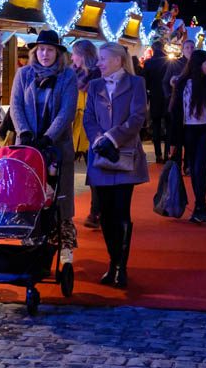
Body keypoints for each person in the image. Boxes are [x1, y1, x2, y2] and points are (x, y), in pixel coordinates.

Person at [83, 42, 149, 288]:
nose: (98, 63)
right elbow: (89, 117)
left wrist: (113, 137)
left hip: (124, 157)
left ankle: (121, 267)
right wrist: (99, 139)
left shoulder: (136, 84)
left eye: (102, 58)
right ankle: (113, 261)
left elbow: (137, 117)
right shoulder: (95, 85)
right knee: (106, 214)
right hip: (100, 158)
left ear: (118, 61)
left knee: (121, 211)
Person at [10, 29, 79, 264]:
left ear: (58, 53)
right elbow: (16, 105)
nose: (45, 54)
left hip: (56, 148)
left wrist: (49, 137)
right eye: (40, 49)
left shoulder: (67, 76)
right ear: (34, 51)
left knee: (60, 199)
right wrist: (25, 132)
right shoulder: (23, 74)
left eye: (50, 50)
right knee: (29, 197)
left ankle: (64, 249)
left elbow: (67, 111)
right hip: (28, 149)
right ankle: (31, 246)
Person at [168, 49, 206, 223]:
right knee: (194, 168)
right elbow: (175, 113)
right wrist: (173, 141)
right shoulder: (182, 83)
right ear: (197, 64)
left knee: (200, 167)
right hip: (188, 130)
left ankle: (201, 205)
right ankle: (200, 205)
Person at [70, 38, 101, 228]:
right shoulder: (72, 75)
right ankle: (95, 211)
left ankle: (96, 211)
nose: (72, 57)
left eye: (74, 53)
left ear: (81, 56)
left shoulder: (97, 77)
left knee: (95, 171)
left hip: (93, 129)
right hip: (76, 128)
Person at [163, 38, 195, 172]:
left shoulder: (197, 64)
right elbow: (165, 82)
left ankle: (188, 164)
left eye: (192, 47)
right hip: (177, 105)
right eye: (187, 47)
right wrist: (170, 96)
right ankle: (175, 163)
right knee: (176, 136)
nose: (189, 50)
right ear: (182, 50)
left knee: (189, 136)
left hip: (192, 106)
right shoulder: (175, 64)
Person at [142, 38, 170, 163]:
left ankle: (158, 154)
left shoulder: (149, 63)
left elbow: (145, 81)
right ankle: (167, 153)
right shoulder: (169, 62)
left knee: (156, 127)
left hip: (155, 97)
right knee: (169, 126)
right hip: (168, 97)